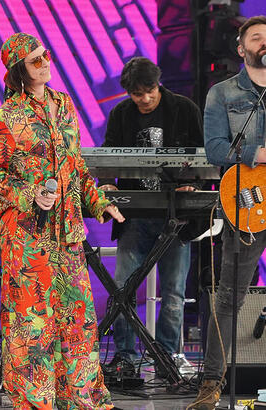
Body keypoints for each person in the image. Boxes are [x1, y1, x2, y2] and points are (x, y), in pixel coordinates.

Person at [0, 32, 124, 409]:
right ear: (19, 71)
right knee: (34, 322)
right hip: (28, 238)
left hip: (69, 234)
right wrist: (30, 195)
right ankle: (36, 400)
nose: (45, 63)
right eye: (35, 60)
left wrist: (98, 203)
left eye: (46, 55)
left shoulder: (65, 105)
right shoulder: (6, 116)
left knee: (77, 317)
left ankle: (77, 397)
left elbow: (76, 167)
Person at [99, 57, 204, 376]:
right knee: (124, 289)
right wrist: (105, 184)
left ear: (158, 85)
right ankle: (126, 357)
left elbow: (201, 155)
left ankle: (168, 357)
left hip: (176, 215)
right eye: (137, 95)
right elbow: (107, 155)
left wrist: (193, 183)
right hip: (134, 216)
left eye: (149, 92)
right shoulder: (120, 114)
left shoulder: (184, 108)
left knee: (174, 291)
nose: (144, 99)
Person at [190, 16, 266, 410]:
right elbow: (216, 149)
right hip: (248, 201)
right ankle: (211, 385)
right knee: (230, 297)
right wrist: (259, 154)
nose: (264, 42)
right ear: (242, 49)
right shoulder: (223, 93)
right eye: (257, 38)